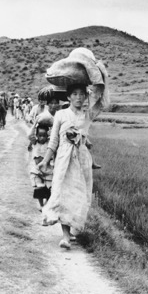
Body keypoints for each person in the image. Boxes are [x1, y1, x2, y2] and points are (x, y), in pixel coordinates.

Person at [38, 84, 96, 250]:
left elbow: (101, 102)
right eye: (75, 94)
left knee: (78, 194)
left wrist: (94, 88)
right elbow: (54, 141)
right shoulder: (61, 115)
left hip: (81, 159)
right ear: (68, 97)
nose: (78, 97)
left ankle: (71, 229)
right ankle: (65, 236)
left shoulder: (87, 115)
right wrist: (46, 160)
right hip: (64, 159)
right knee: (63, 193)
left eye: (81, 94)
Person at [29, 123, 54, 217]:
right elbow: (29, 135)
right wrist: (35, 123)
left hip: (48, 169)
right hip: (37, 170)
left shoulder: (49, 143)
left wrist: (52, 127)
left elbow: (54, 137)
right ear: (37, 136)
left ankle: (47, 204)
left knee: (49, 187)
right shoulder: (35, 142)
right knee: (39, 187)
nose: (42, 138)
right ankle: (41, 204)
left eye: (44, 136)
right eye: (40, 136)